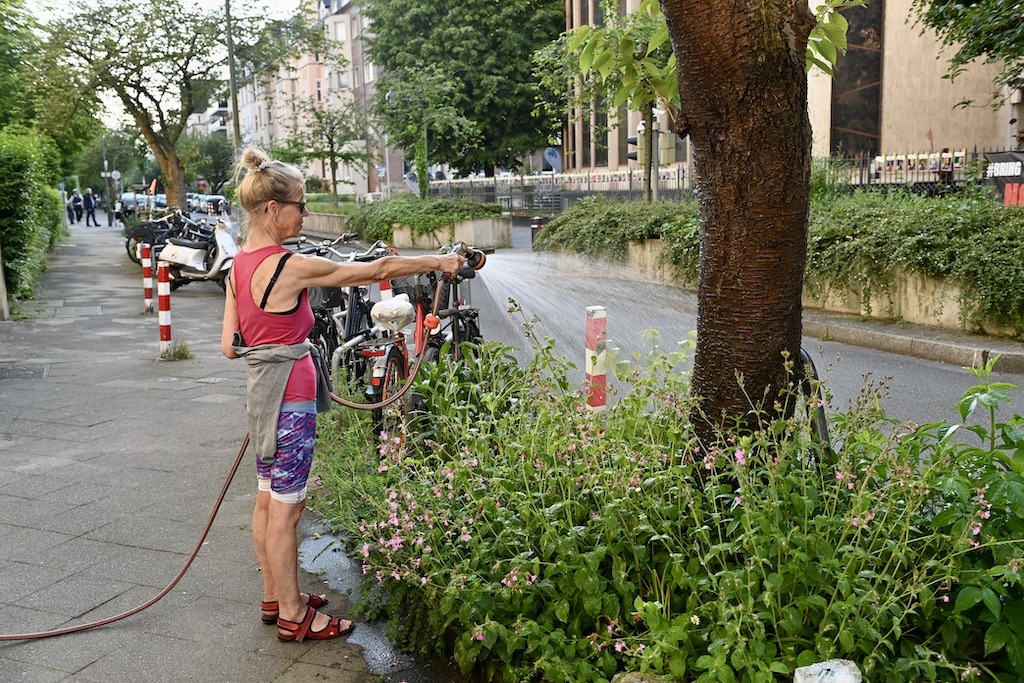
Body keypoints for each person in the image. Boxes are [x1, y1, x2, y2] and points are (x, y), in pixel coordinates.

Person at [220, 146, 465, 643]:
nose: (304, 214)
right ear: (273, 210)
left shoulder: (238, 266)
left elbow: (229, 346)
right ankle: (293, 615)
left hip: (262, 399)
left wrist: (271, 337)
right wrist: (441, 260)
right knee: (288, 509)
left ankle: (275, 596)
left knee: (268, 500)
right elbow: (376, 271)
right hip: (289, 401)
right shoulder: (287, 266)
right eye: (300, 206)